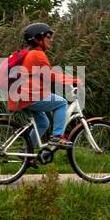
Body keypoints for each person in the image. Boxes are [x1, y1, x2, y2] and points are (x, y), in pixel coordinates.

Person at [6, 21, 82, 150]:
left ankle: (27, 153)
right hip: (30, 96)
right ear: (38, 38)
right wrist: (74, 80)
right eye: (48, 36)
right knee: (62, 103)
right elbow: (51, 76)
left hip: (21, 96)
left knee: (43, 122)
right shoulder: (37, 55)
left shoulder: (29, 53)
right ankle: (57, 137)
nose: (51, 40)